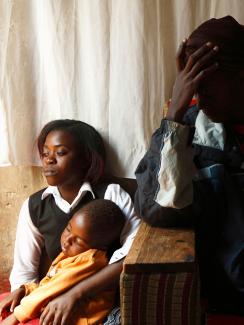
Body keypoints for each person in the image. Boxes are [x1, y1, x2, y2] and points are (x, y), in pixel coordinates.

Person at [134, 16, 244, 315]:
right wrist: (175, 115)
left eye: (205, 86)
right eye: (189, 85)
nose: (197, 96)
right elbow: (160, 209)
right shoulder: (192, 129)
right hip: (225, 297)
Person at [7, 119, 140, 325]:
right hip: (51, 303)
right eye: (45, 153)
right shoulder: (35, 206)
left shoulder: (110, 194)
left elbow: (132, 255)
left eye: (60, 153)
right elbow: (25, 271)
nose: (49, 160)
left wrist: (75, 294)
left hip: (106, 306)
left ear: (86, 158)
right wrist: (22, 292)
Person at [0, 199, 126, 325]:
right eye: (68, 229)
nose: (67, 241)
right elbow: (49, 283)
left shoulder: (89, 260)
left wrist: (15, 317)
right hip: (52, 309)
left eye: (79, 242)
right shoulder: (71, 254)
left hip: (74, 320)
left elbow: (48, 291)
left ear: (99, 247)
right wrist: (24, 289)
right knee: (6, 298)